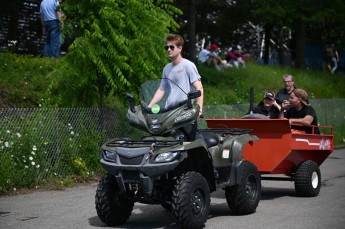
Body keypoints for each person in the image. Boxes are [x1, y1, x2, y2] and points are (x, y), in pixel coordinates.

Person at [148, 34, 204, 141]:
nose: (168, 50)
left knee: (187, 145)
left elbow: (199, 88)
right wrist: (149, 106)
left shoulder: (188, 65)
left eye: (171, 47)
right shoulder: (166, 68)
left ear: (179, 48)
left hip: (186, 112)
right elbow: (161, 89)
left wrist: (199, 109)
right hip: (170, 112)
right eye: (167, 47)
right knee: (167, 143)